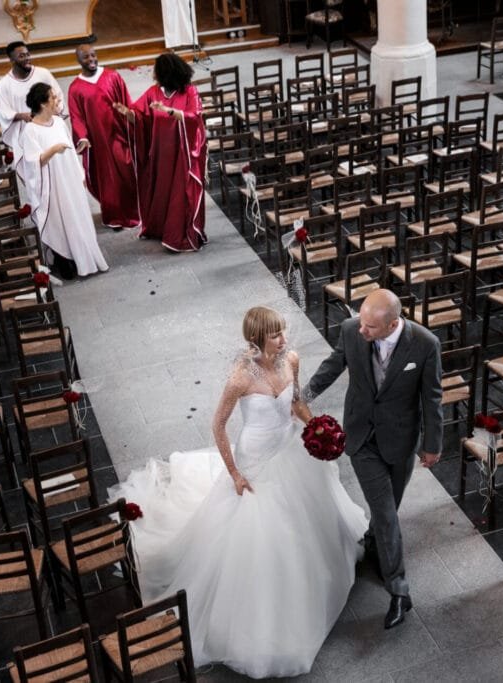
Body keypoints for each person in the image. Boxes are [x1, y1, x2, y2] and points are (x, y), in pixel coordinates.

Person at [110, 307, 367, 678]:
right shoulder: (240, 378)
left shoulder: (291, 359)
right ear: (257, 338)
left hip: (288, 448)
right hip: (256, 457)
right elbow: (218, 426)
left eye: (283, 331)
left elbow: (296, 401)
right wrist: (234, 473)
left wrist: (318, 429)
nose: (284, 340)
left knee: (304, 516)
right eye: (276, 335)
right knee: (259, 531)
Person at [306, 289, 443, 630]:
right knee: (385, 513)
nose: (361, 330)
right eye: (362, 322)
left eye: (370, 327)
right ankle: (399, 590)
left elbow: (432, 398)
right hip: (362, 436)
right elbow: (332, 366)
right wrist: (301, 395)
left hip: (400, 440)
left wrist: (432, 444)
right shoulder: (352, 330)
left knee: (389, 509)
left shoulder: (425, 344)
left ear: (393, 324)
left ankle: (371, 543)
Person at [114, 53, 207, 252]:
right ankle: (160, 228)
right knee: (162, 193)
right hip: (160, 155)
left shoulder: (189, 92)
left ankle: (179, 236)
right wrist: (128, 113)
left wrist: (169, 111)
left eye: (157, 70)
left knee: (180, 195)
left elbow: (195, 116)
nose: (154, 74)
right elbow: (140, 115)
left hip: (183, 155)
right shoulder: (153, 92)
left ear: (167, 73)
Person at [18, 83, 108, 279]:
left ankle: (83, 258)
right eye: (52, 97)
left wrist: (80, 174)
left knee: (77, 218)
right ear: (42, 104)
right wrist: (52, 150)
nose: (57, 100)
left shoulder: (58, 122)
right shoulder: (31, 131)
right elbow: (33, 163)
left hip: (70, 180)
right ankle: (63, 258)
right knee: (59, 220)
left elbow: (70, 152)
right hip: (53, 186)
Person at [67, 44, 142, 231]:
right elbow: (76, 117)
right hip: (98, 142)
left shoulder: (112, 76)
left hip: (119, 134)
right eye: (86, 57)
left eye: (93, 55)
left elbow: (127, 102)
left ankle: (134, 212)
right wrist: (82, 137)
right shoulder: (75, 88)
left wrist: (130, 116)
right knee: (107, 179)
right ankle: (114, 216)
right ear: (78, 60)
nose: (91, 59)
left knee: (127, 172)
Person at [0, 41, 65, 169]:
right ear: (11, 59)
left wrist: (55, 111)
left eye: (28, 54)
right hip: (26, 134)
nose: (27, 58)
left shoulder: (43, 74)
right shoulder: (3, 85)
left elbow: (58, 96)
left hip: (48, 130)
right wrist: (23, 116)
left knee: (56, 167)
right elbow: (5, 113)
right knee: (35, 169)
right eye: (21, 56)